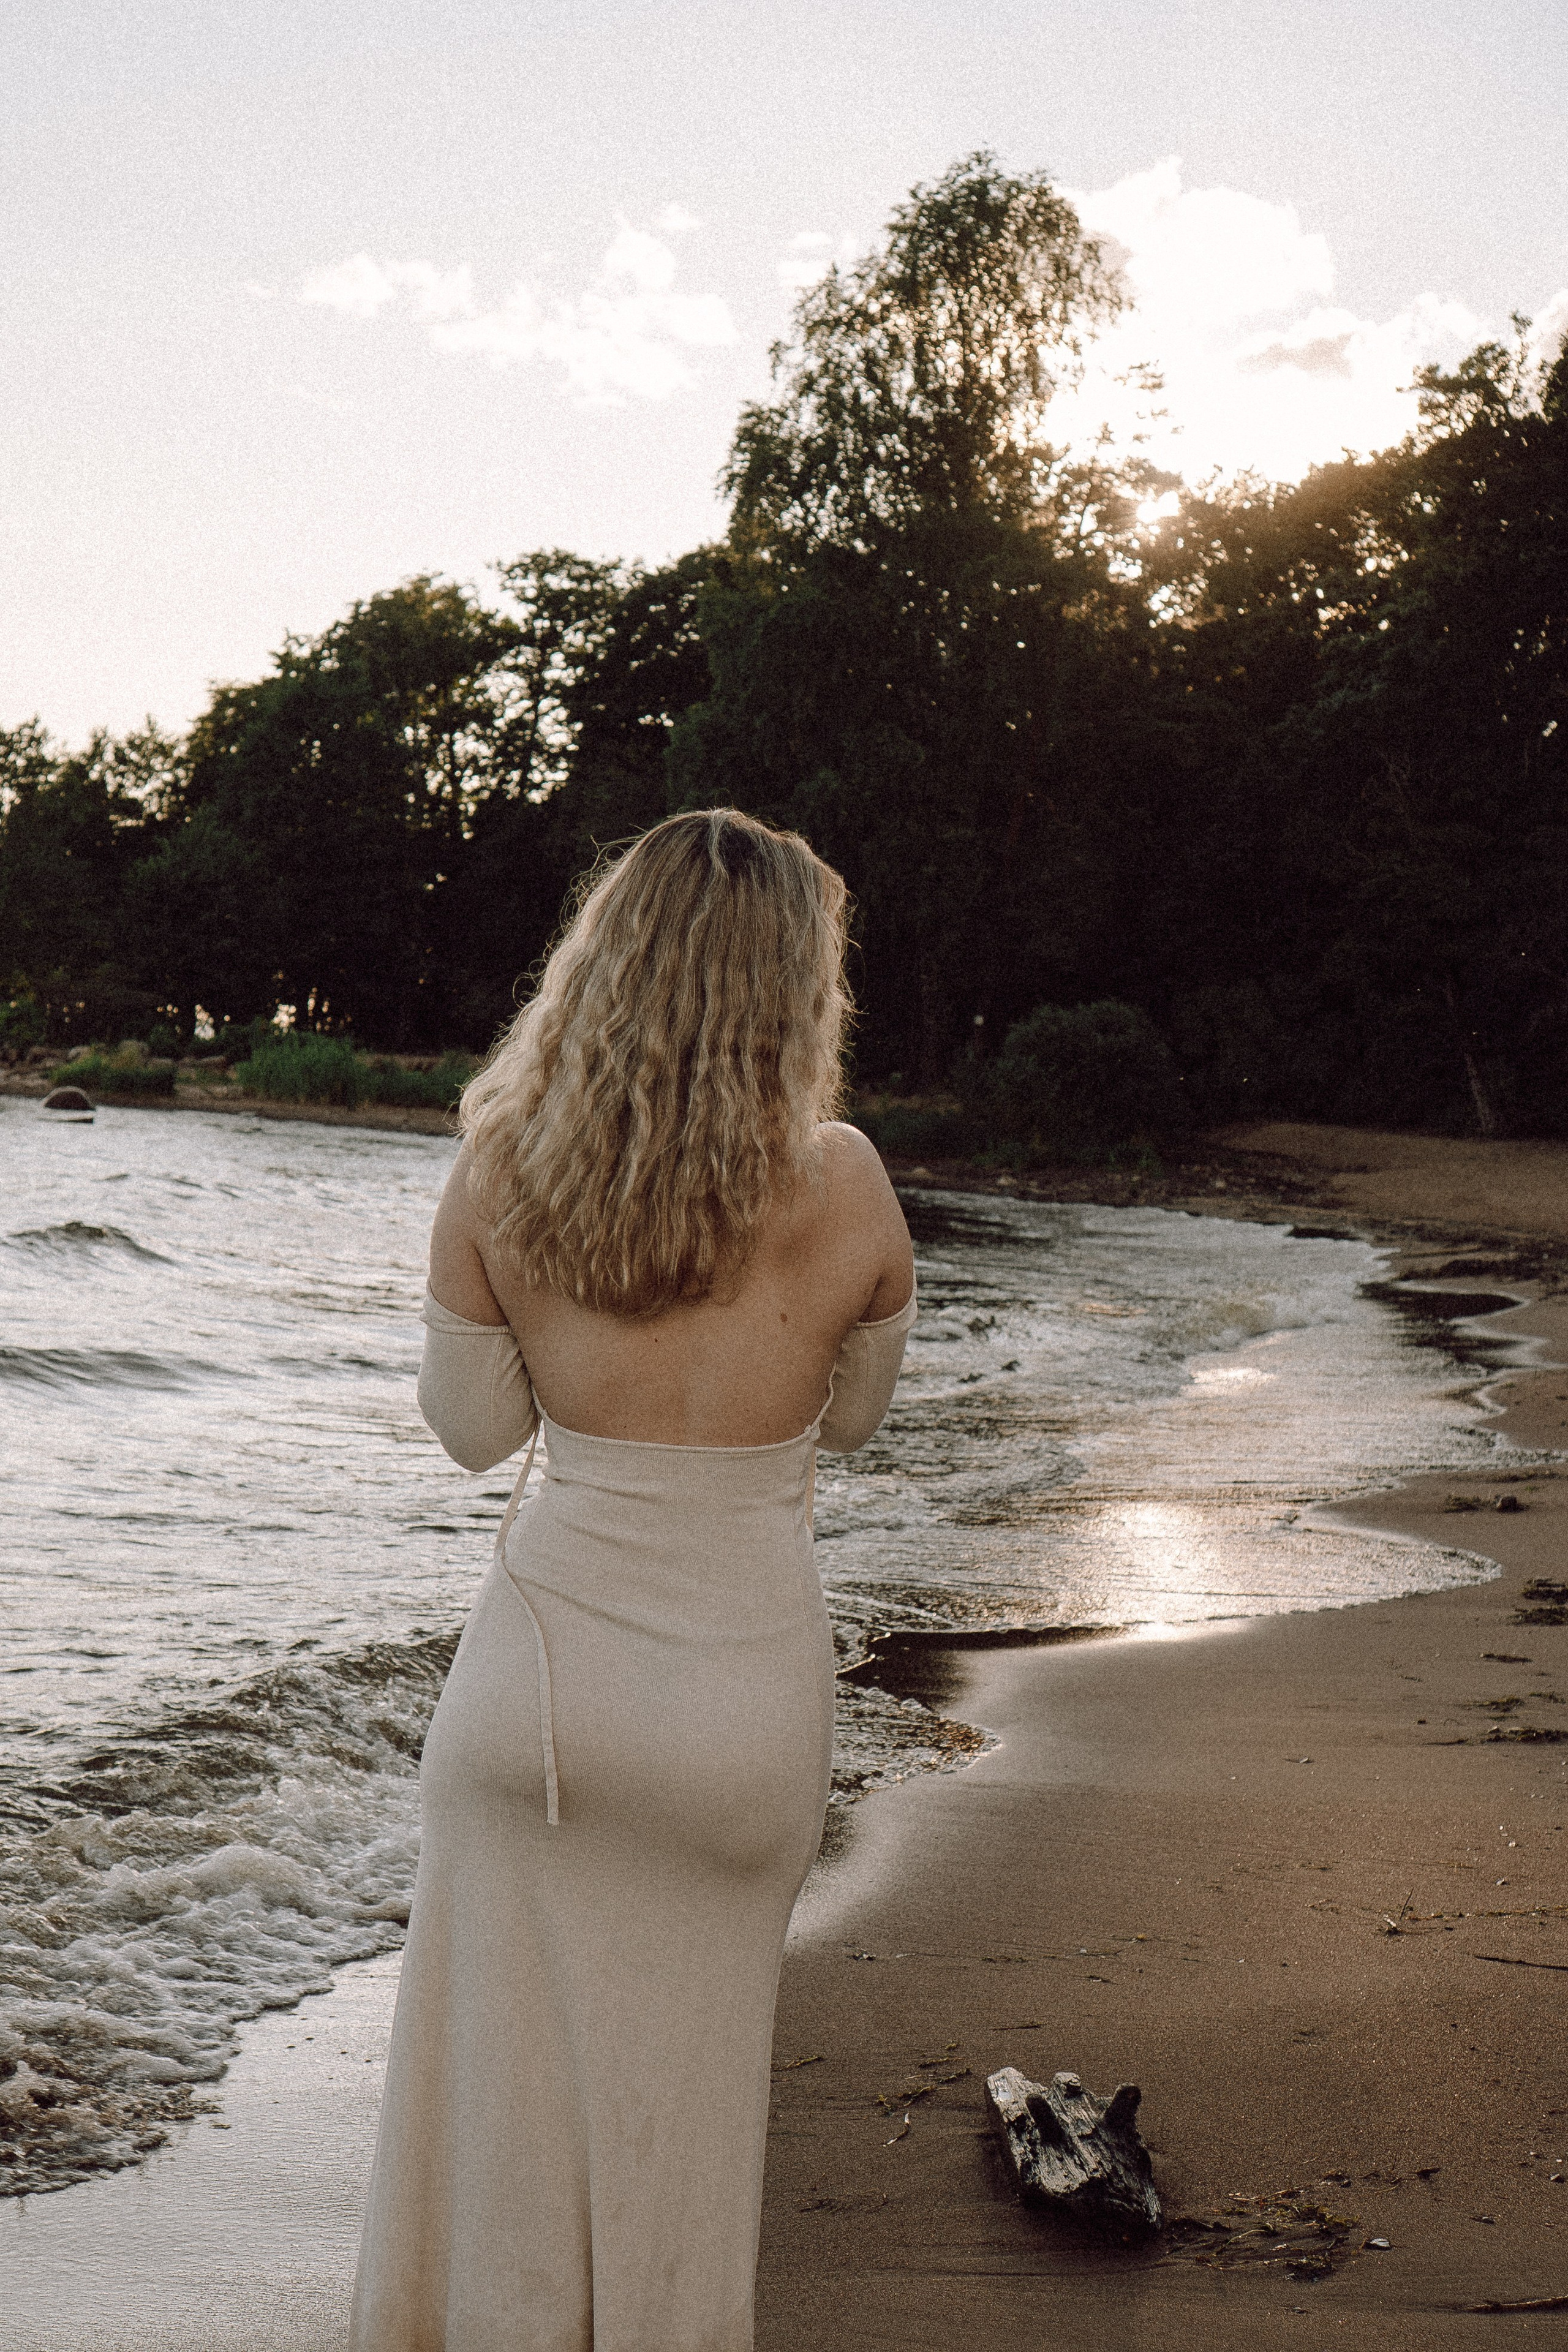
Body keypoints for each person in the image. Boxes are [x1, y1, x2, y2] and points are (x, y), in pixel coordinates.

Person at [349, 807, 916, 2352]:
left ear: (600, 963)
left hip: (536, 1712)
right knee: (686, 2119)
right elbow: (850, 1422)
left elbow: (474, 1433)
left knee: (489, 2122)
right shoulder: (849, 1183)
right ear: (799, 986)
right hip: (737, 1715)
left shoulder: (503, 1171)